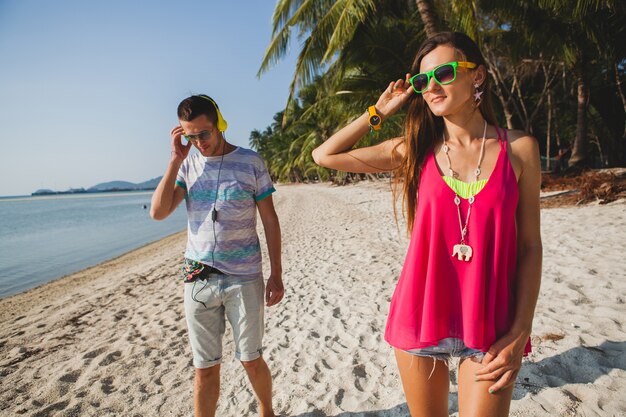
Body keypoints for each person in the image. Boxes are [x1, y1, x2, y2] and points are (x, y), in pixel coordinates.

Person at [312, 32, 542, 417]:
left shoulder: (519, 150)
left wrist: (521, 332)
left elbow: (530, 247)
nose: (431, 86)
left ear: (478, 76)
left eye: (445, 73)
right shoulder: (414, 149)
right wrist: (379, 112)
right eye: (422, 81)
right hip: (419, 316)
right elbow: (325, 155)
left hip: (491, 323)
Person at [151, 94, 284, 417]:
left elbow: (269, 219)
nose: (198, 143)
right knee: (205, 368)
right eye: (190, 136)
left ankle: (267, 411)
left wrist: (276, 272)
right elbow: (158, 212)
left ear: (219, 125)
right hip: (198, 279)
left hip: (244, 278)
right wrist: (174, 160)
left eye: (204, 134)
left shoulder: (250, 162)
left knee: (250, 359)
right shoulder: (187, 165)